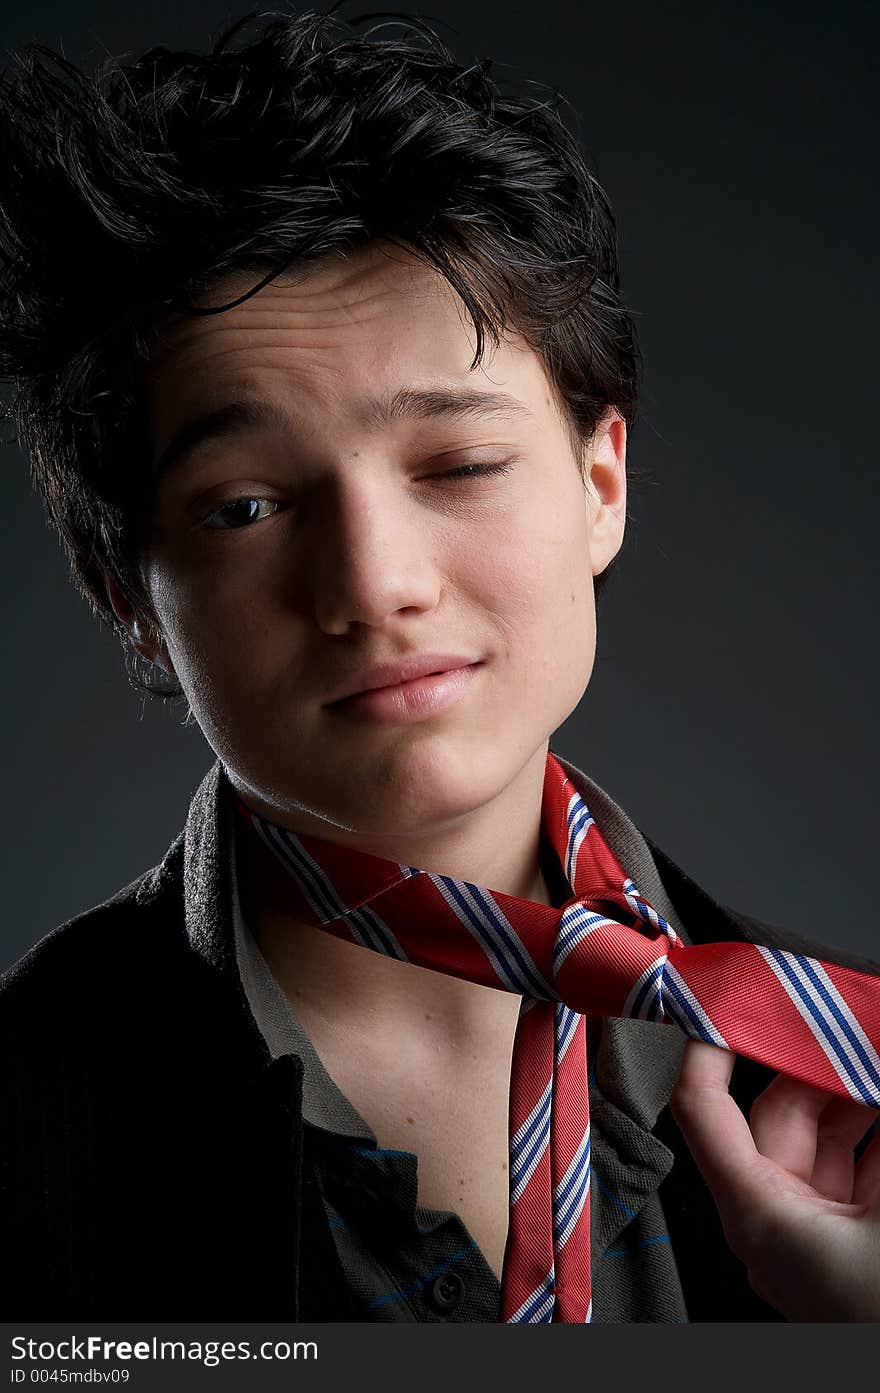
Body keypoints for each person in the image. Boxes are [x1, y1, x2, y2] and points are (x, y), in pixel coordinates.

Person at [1, 6, 878, 1323]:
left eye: (460, 465)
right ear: (130, 596)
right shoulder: (24, 1118)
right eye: (245, 505)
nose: (373, 582)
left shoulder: (840, 1063)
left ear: (602, 484)